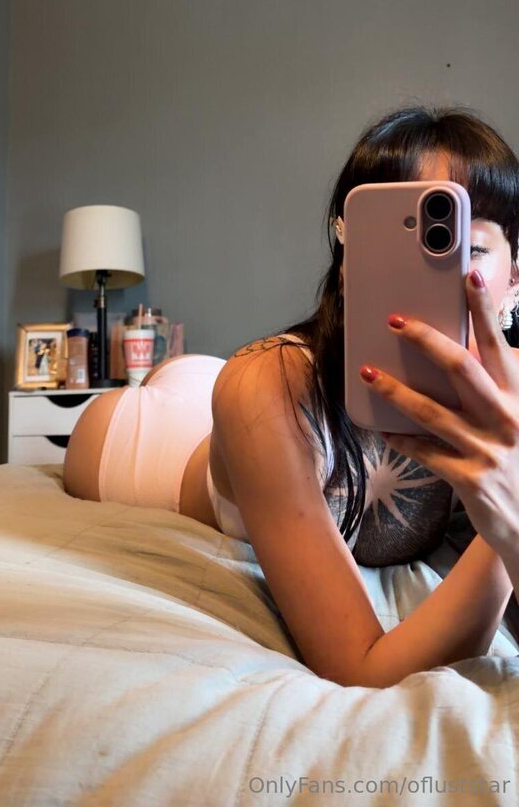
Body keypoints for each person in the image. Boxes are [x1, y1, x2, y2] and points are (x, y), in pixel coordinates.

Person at [64, 102, 519, 688]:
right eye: (390, 246)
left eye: (469, 249)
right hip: (167, 438)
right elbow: (360, 668)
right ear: (348, 262)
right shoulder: (267, 388)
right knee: (109, 421)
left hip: (255, 408)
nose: (429, 276)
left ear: (515, 274)